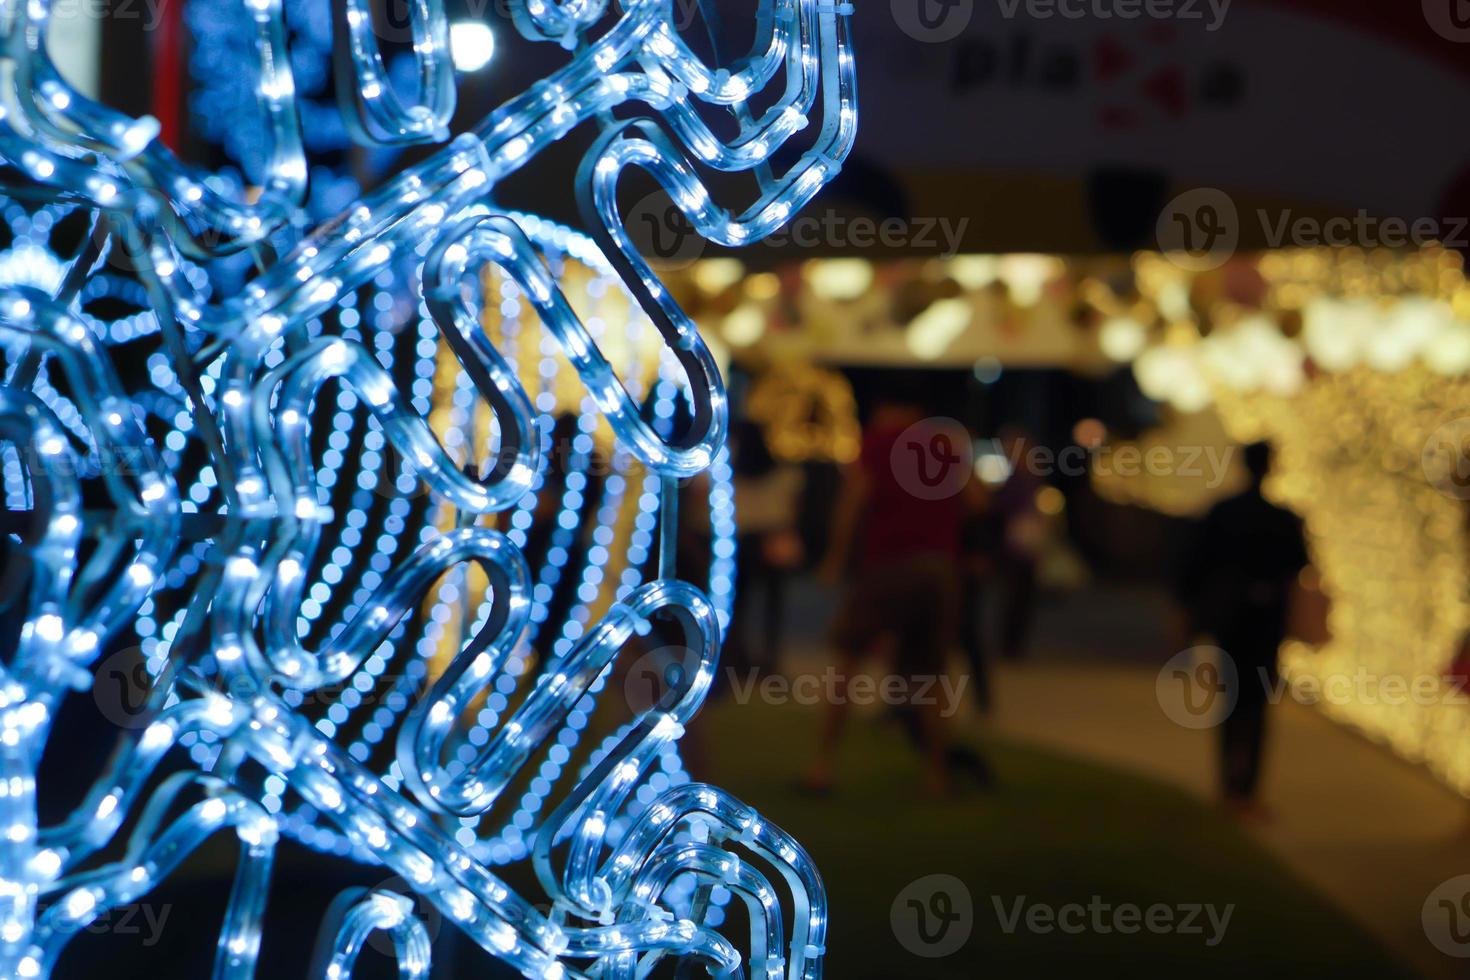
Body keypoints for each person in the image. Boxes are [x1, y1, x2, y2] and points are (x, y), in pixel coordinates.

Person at [804, 389, 988, 798]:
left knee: (846, 664)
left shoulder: (879, 441)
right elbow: (977, 500)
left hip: (889, 565)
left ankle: (822, 767)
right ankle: (937, 776)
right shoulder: (946, 443)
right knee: (930, 678)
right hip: (940, 569)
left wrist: (834, 557)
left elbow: (853, 500)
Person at [1177, 441, 1308, 818]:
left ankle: (1228, 786)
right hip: (1265, 624)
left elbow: (1193, 566)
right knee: (1257, 706)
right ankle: (1247, 789)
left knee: (1231, 702)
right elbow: (1298, 569)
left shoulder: (1224, 512)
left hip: (1231, 622)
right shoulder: (1281, 518)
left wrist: (1192, 616)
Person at [722, 419, 804, 684]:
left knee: (737, 604)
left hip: (743, 542)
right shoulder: (785, 474)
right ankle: (767, 660)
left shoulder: (732, 474)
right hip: (772, 542)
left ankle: (737, 659)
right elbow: (792, 512)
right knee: (772, 606)